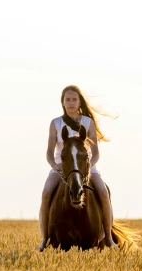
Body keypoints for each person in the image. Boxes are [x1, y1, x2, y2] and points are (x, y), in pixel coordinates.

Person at [38, 85, 116, 250]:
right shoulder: (56, 123)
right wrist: (54, 165)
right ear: (63, 103)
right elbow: (49, 151)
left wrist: (90, 165)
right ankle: (45, 239)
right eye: (68, 100)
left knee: (103, 192)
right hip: (62, 167)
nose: (71, 102)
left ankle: (108, 237)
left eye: (74, 99)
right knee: (45, 194)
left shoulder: (88, 123)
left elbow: (95, 152)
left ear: (79, 102)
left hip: (85, 166)